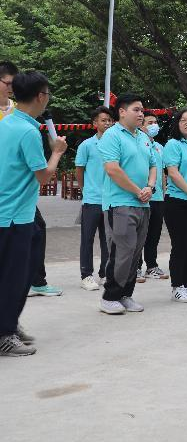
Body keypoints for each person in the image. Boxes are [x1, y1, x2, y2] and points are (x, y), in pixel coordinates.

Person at [0, 71, 67, 356]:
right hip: (14, 216)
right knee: (14, 277)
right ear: (40, 96)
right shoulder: (28, 132)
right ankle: (4, 334)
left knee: (16, 272)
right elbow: (43, 176)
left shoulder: (7, 122)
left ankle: (9, 324)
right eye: (47, 94)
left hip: (13, 213)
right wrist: (57, 151)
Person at [98, 93, 157, 315]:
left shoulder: (143, 137)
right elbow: (112, 169)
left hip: (143, 203)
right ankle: (110, 296)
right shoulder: (112, 135)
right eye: (136, 110)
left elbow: (153, 165)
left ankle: (126, 294)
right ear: (122, 112)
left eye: (142, 110)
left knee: (135, 252)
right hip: (120, 203)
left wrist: (150, 187)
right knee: (122, 251)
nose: (141, 114)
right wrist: (137, 191)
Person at [75, 106, 114, 291]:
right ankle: (86, 275)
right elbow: (79, 170)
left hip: (110, 199)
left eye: (109, 120)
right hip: (91, 200)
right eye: (103, 120)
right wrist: (86, 190)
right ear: (95, 123)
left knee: (108, 240)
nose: (107, 123)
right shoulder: (87, 145)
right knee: (87, 239)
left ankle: (105, 273)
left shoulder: (115, 144)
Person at [163, 109, 187, 303]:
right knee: (181, 244)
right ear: (177, 124)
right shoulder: (173, 144)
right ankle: (177, 286)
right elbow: (173, 173)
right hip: (177, 201)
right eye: (184, 120)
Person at [138, 113, 168, 281]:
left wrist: (163, 192)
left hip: (158, 198)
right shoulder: (138, 143)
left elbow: (162, 173)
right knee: (139, 235)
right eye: (150, 122)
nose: (154, 125)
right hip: (142, 196)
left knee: (154, 234)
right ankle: (135, 267)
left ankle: (151, 265)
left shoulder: (159, 147)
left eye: (155, 122)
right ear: (141, 126)